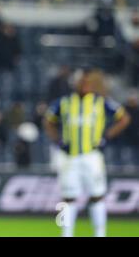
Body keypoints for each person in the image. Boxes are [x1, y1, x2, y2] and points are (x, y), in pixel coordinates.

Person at [44, 69, 130, 237]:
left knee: (97, 196)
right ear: (75, 84)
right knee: (67, 199)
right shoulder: (64, 102)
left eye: (87, 82)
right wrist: (57, 140)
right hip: (70, 157)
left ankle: (100, 233)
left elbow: (124, 118)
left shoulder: (101, 102)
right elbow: (48, 120)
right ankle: (66, 233)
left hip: (92, 156)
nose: (84, 85)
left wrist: (106, 137)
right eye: (81, 82)